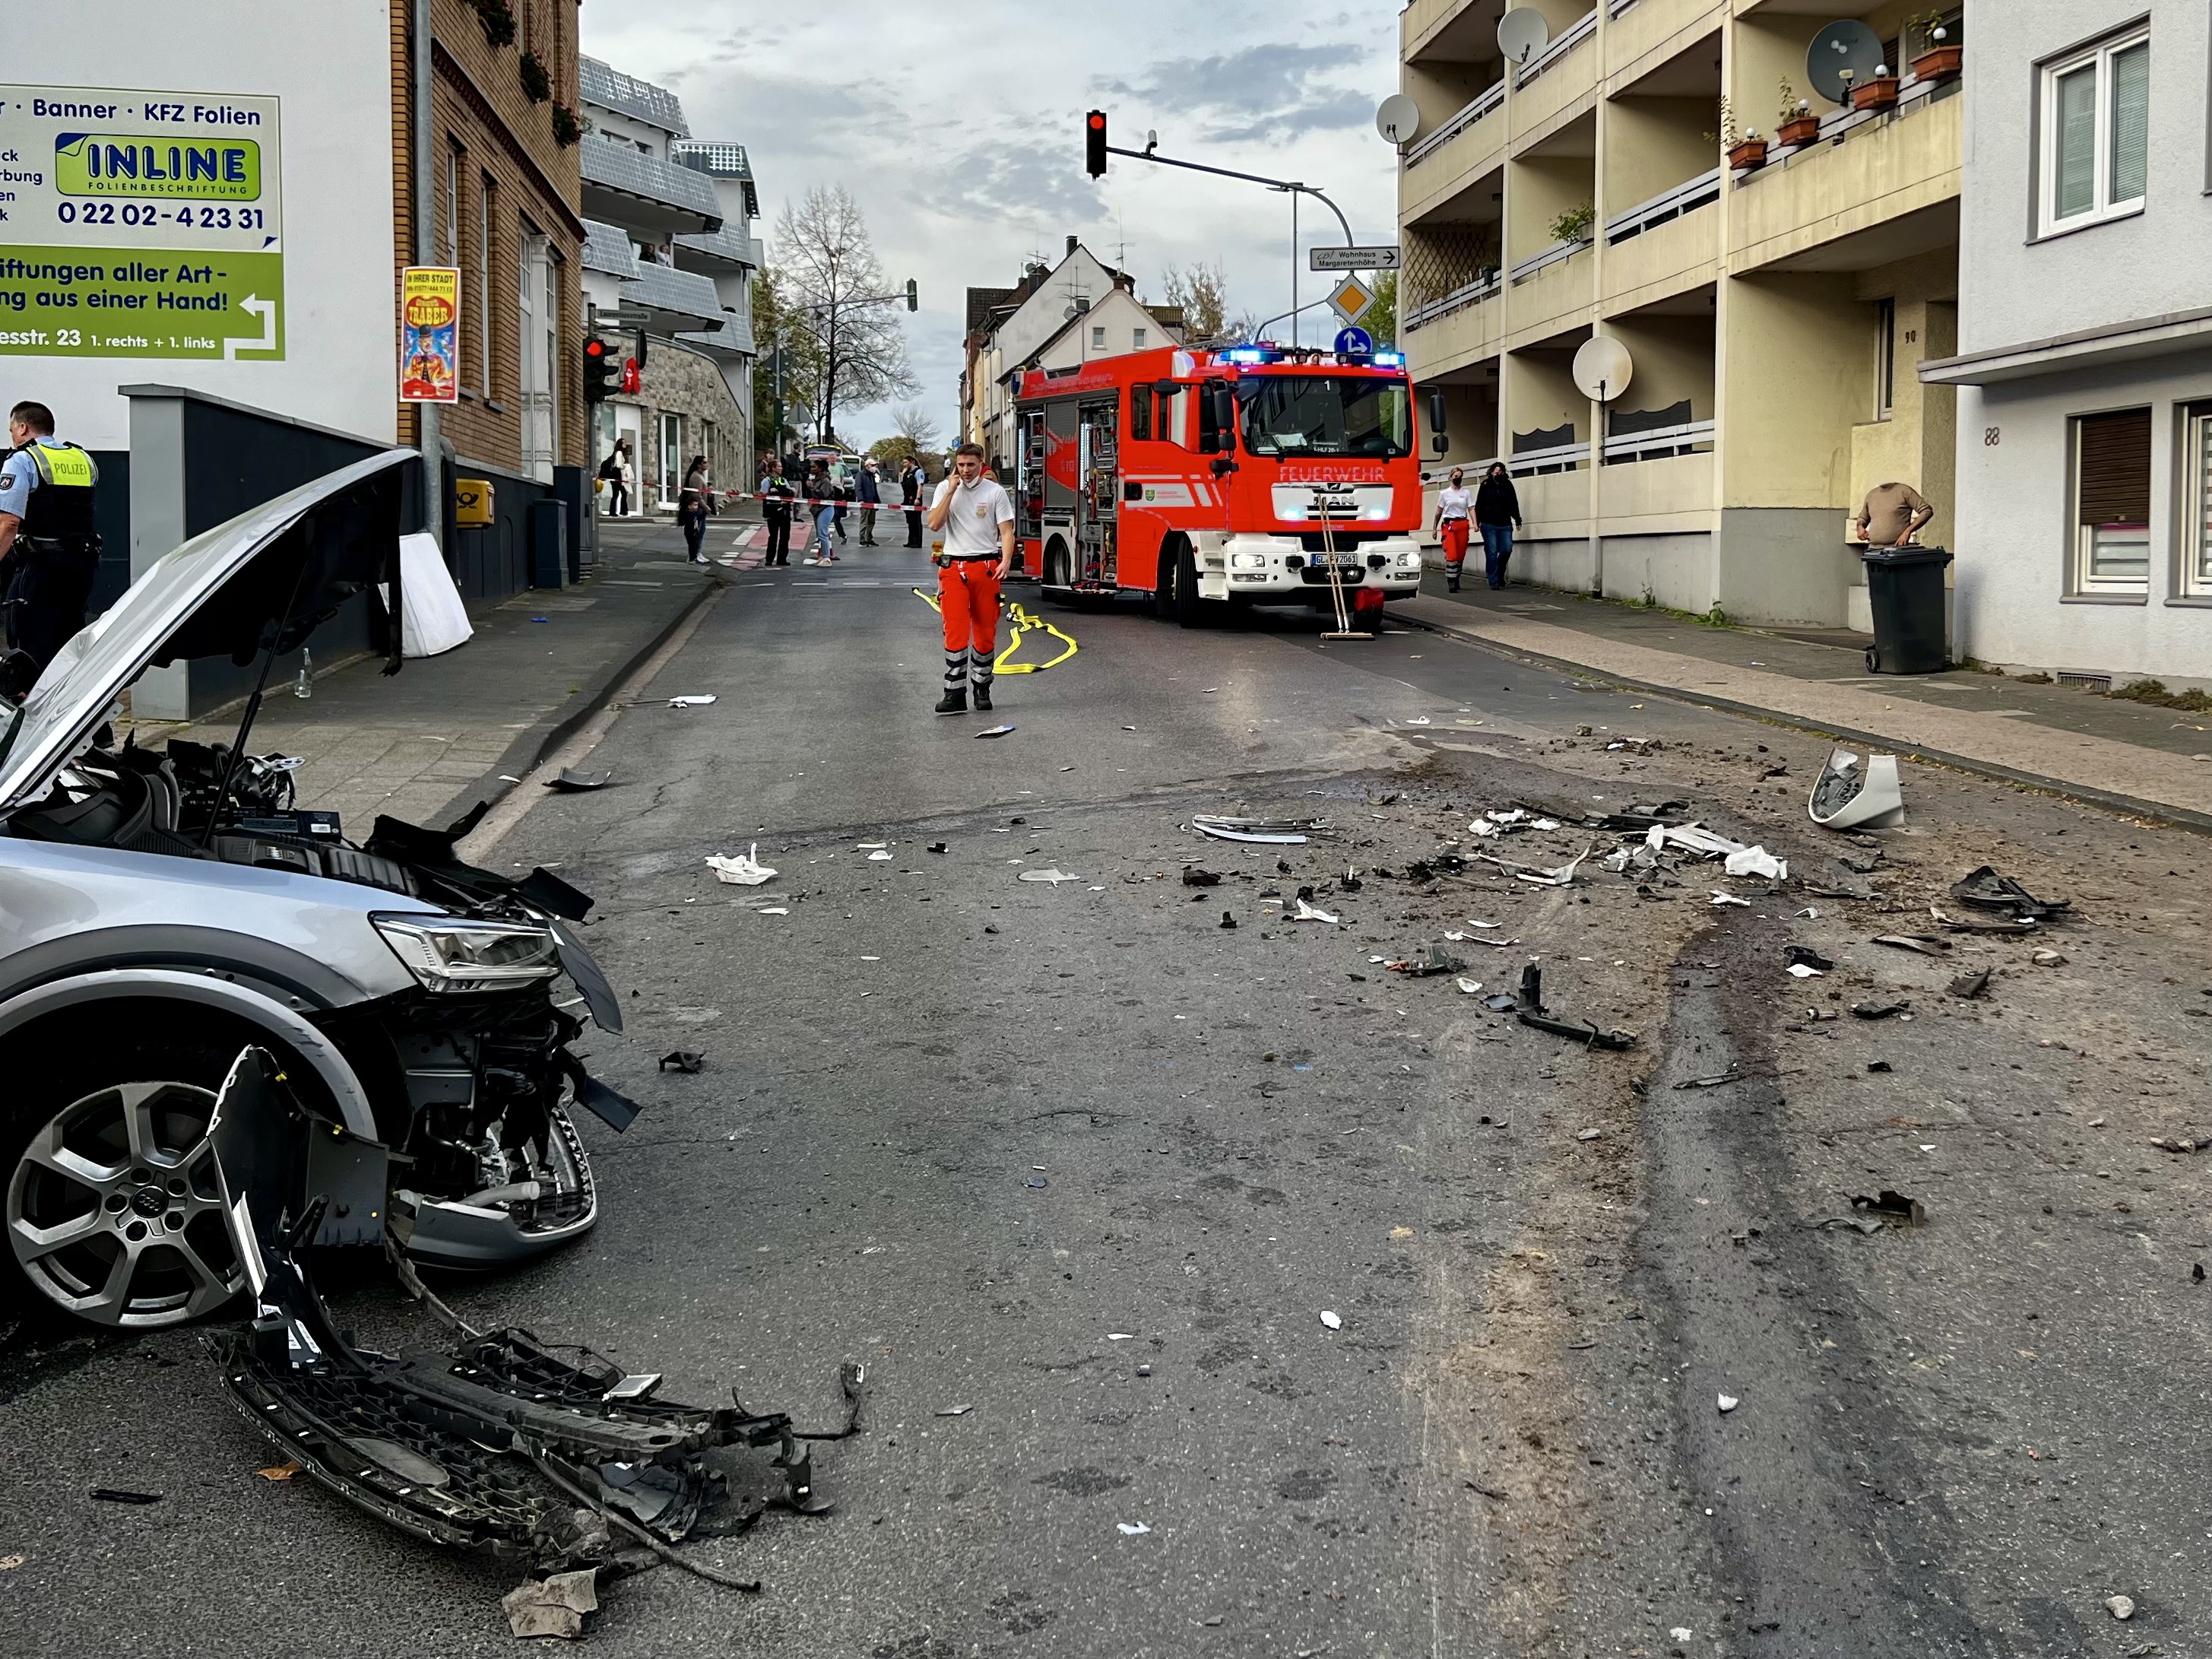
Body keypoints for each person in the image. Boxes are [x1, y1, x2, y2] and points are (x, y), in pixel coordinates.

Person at [0, 401, 101, 694]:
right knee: (69, 644)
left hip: (41, 566)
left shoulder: (22, 460)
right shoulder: (84, 459)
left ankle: (33, 727)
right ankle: (90, 726)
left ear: (23, 428)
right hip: (81, 567)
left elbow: (8, 524)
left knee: (27, 649)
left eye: (11, 430)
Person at [925, 440, 1015, 714]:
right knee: (955, 630)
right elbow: (934, 524)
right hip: (953, 568)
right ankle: (954, 693)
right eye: (961, 465)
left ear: (981, 463)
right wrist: (951, 491)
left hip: (985, 567)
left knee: (985, 632)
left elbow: (1007, 531)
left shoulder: (995, 492)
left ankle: (982, 688)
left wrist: (1007, 560)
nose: (965, 470)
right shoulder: (945, 488)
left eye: (970, 465)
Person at [1474, 461, 1522, 591]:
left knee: (1507, 549)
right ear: (1491, 472)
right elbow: (1479, 504)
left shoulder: (1508, 485)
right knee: (1492, 552)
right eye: (1496, 472)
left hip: (1505, 523)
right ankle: (1493, 580)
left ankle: (1500, 572)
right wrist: (1476, 522)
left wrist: (1518, 519)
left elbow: (1514, 502)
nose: (1498, 474)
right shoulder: (1485, 485)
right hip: (1488, 523)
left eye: (1500, 472)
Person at [1855, 481, 1933, 548]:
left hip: (1897, 550)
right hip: (1873, 551)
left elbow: (1926, 511)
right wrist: (1860, 527)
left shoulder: (1904, 491)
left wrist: (1907, 532)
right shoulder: (1871, 494)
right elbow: (1863, 517)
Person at [1435, 467, 1472, 592]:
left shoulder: (1466, 493)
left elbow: (1471, 508)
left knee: (1461, 555)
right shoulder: (1445, 494)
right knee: (1452, 554)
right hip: (1449, 525)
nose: (1458, 479)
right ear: (1451, 478)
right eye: (1456, 476)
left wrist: (1475, 523)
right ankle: (1451, 581)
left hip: (1462, 524)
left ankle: (1457, 578)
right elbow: (1438, 512)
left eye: (1460, 476)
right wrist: (1434, 528)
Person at [761, 462, 794, 566]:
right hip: (773, 512)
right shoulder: (767, 481)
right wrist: (769, 491)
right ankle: (769, 559)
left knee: (785, 536)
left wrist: (792, 491)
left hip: (784, 511)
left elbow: (791, 494)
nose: (781, 468)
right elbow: (763, 495)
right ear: (773, 468)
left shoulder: (783, 480)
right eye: (779, 466)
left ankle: (782, 559)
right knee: (773, 536)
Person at [804, 458, 837, 564]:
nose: (812, 469)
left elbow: (823, 494)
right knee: (821, 533)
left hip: (825, 508)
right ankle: (823, 556)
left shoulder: (825, 481)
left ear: (821, 468)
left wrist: (811, 487)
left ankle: (826, 557)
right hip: (817, 508)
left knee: (823, 533)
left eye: (814, 467)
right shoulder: (817, 479)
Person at [679, 454, 710, 563]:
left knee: (701, 531)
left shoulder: (700, 475)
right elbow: (696, 495)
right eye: (704, 462)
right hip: (698, 508)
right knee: (697, 532)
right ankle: (695, 554)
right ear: (698, 465)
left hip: (701, 507)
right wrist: (706, 507)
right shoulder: (695, 476)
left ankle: (698, 552)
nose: (707, 464)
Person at [599, 439, 633, 518]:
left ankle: (614, 512)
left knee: (616, 494)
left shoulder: (617, 453)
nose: (625, 444)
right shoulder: (619, 453)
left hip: (615, 474)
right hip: (617, 474)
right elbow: (618, 465)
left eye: (625, 442)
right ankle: (623, 512)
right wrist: (625, 466)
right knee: (622, 493)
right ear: (620, 444)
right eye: (623, 443)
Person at [902, 455, 926, 547]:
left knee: (916, 521)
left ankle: (917, 542)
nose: (905, 465)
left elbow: (920, 485)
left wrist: (918, 498)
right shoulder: (908, 472)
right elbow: (903, 485)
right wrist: (903, 475)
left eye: (906, 462)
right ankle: (911, 541)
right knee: (910, 521)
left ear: (912, 462)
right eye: (904, 463)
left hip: (915, 499)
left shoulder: (918, 472)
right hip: (907, 499)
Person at [857, 458, 882, 546]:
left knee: (871, 522)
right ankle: (862, 539)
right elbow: (858, 488)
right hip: (865, 502)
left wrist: (877, 502)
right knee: (864, 521)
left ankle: (869, 538)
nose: (874, 467)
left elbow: (874, 489)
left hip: (872, 502)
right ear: (867, 466)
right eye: (873, 465)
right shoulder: (861, 475)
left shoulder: (871, 475)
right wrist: (861, 500)